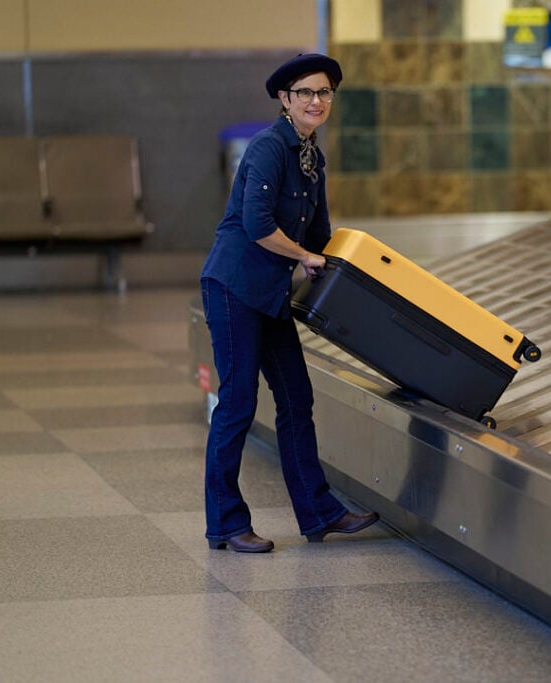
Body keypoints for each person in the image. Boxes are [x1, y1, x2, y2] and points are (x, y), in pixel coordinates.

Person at [199, 53, 378, 552]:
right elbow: (257, 226)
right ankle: (226, 524)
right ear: (285, 99)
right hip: (234, 288)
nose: (316, 102)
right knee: (237, 404)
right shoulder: (268, 148)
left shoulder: (310, 156)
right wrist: (303, 257)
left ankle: (319, 513)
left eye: (324, 93)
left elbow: (319, 231)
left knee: (296, 398)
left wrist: (344, 262)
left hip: (269, 293)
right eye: (305, 93)